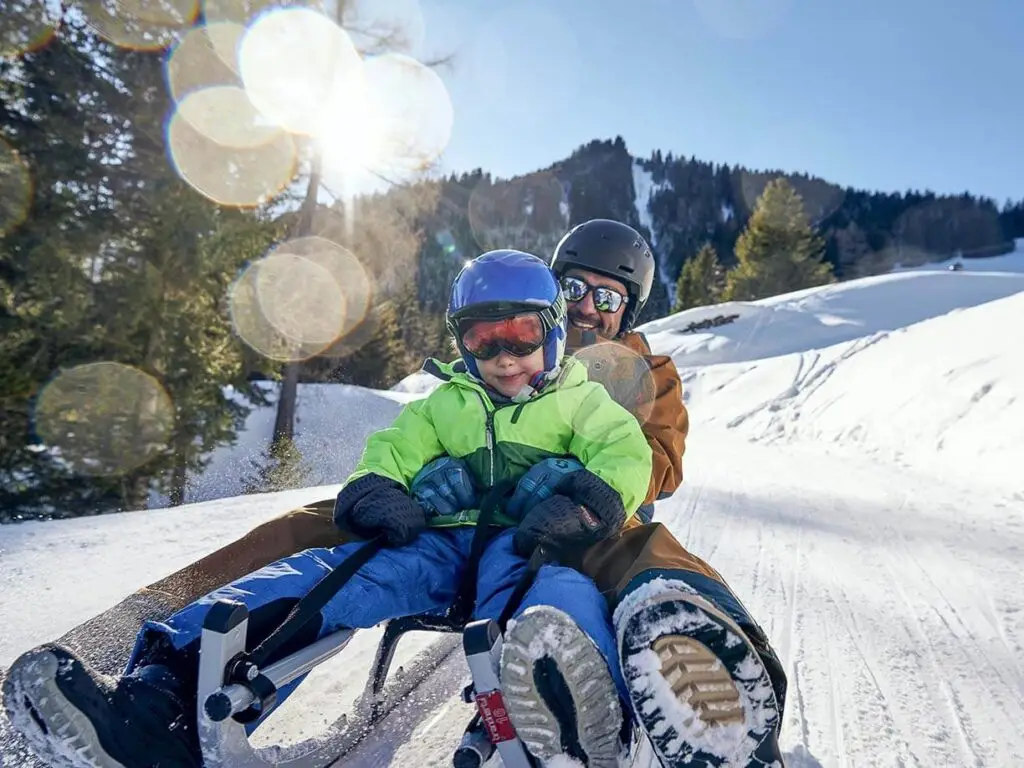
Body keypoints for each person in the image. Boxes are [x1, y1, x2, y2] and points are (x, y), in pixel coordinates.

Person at [6, 249, 656, 768]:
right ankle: (158, 702)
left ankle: (573, 709)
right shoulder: (445, 404)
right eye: (485, 343)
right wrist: (379, 490)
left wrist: (587, 501)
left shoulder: (581, 401)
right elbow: (393, 450)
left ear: (552, 338)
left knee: (552, 596)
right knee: (333, 575)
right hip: (434, 544)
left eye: (520, 336)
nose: (505, 357)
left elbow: (622, 454)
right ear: (464, 347)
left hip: (526, 543)